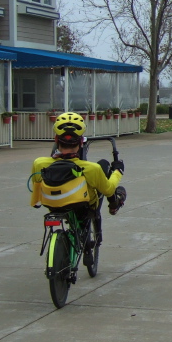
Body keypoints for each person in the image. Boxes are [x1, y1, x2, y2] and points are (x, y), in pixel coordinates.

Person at [29, 113, 126, 263]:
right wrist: (118, 172)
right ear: (81, 142)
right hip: (83, 207)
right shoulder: (91, 169)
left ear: (56, 140)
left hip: (53, 205)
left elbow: (37, 184)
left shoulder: (40, 163)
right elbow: (108, 189)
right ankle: (114, 206)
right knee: (107, 190)